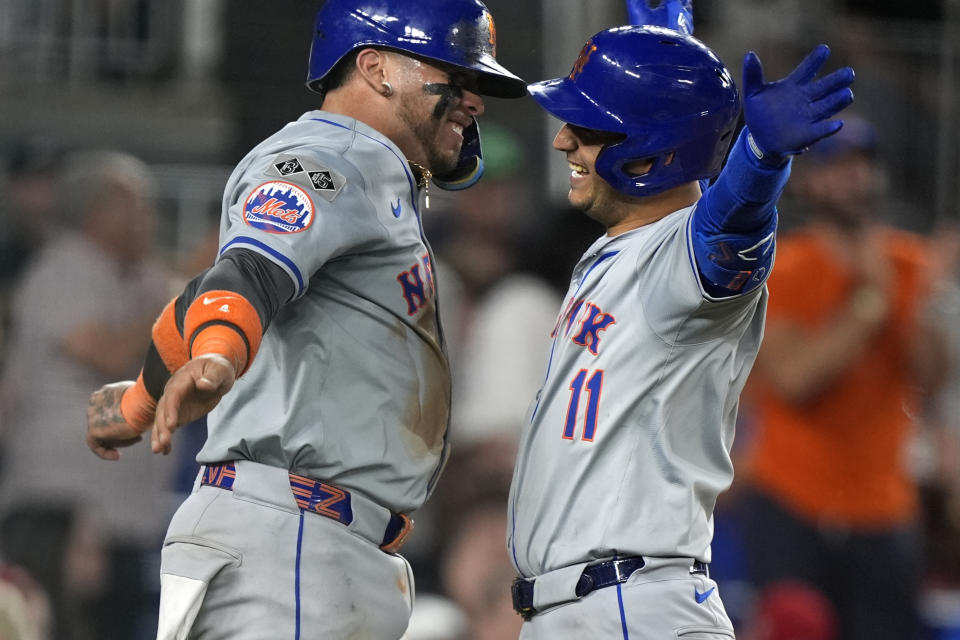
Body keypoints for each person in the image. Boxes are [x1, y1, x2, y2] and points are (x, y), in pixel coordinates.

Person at [84, 1, 526, 638]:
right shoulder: (337, 156)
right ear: (375, 68)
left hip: (307, 543)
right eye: (453, 74)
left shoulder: (373, 174)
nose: (473, 100)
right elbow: (248, 274)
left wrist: (141, 401)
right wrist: (219, 355)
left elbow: (204, 295)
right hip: (294, 541)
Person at [506, 19, 856, 640]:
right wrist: (664, 40)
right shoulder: (629, 250)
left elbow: (732, 222)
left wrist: (759, 158)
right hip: (594, 607)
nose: (563, 141)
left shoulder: (683, 260)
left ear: (649, 151)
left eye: (587, 128)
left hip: (629, 607)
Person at [737, 115, 950, 640]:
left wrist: (929, 297)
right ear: (808, 182)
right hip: (792, 500)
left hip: (884, 506)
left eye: (861, 167)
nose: (852, 179)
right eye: (836, 168)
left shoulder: (910, 261)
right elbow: (794, 380)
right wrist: (868, 303)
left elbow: (933, 376)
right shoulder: (784, 266)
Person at [0, 149, 174, 638]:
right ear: (97, 212)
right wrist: (176, 305)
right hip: (62, 508)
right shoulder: (61, 270)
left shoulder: (142, 278)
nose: (148, 218)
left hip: (127, 512)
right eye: (135, 206)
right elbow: (105, 352)